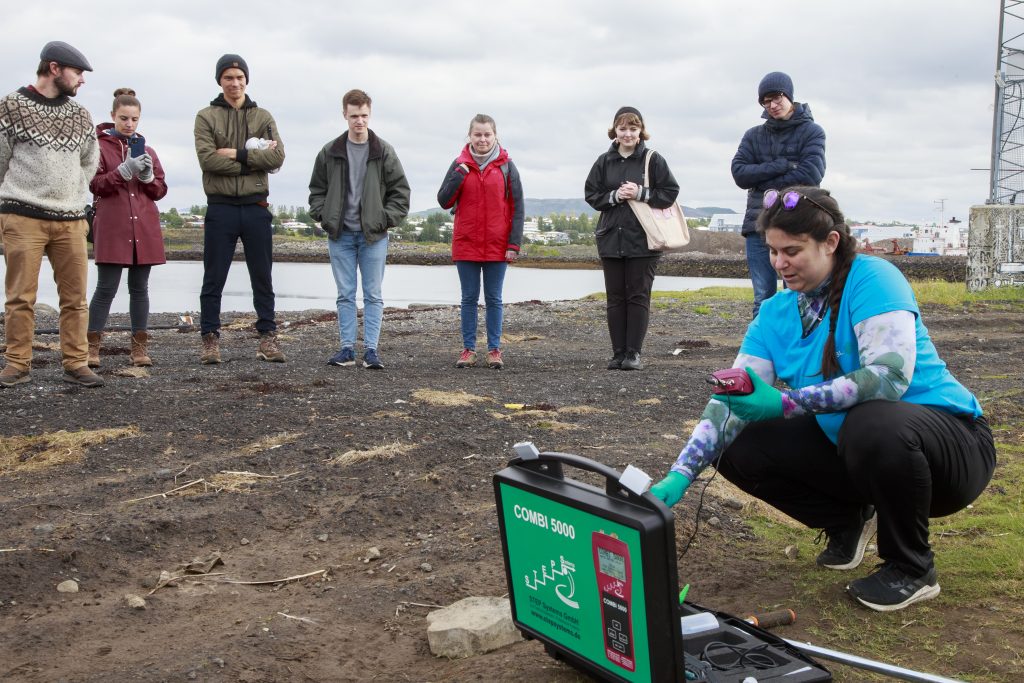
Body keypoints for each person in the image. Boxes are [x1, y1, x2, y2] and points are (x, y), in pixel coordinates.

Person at [650, 187, 995, 612]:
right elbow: (731, 399)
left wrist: (785, 403)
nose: (779, 263)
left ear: (830, 242)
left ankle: (911, 568)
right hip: (859, 450)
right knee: (738, 439)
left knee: (871, 422)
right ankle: (847, 521)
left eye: (792, 250)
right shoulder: (775, 313)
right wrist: (681, 473)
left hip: (950, 451)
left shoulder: (873, 278)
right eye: (773, 251)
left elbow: (889, 378)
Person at [0, 41, 103, 388]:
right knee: (20, 296)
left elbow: (91, 160)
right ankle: (17, 363)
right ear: (55, 68)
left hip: (72, 219)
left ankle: (76, 362)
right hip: (22, 216)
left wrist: (74, 191)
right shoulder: (11, 106)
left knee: (75, 298)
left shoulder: (81, 115)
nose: (82, 81)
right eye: (78, 73)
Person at [308, 89, 410, 370]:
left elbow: (400, 193)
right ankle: (346, 350)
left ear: (370, 114)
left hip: (373, 236)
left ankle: (372, 351)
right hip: (339, 235)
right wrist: (324, 216)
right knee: (345, 294)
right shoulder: (330, 152)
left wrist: (383, 220)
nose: (359, 122)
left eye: (364, 115)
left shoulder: (383, 151)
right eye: (354, 116)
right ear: (345, 115)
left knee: (373, 294)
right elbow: (317, 190)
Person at [194, 54, 286, 365]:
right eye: (228, 77)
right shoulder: (206, 116)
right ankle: (210, 339)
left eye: (239, 77)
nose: (235, 82)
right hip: (220, 208)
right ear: (220, 80)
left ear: (247, 79)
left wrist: (237, 154)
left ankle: (267, 338)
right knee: (213, 277)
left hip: (256, 207)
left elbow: (277, 159)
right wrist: (253, 163)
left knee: (263, 276)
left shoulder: (263, 116)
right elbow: (207, 160)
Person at [585, 106, 679, 371]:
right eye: (623, 128)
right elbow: (592, 195)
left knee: (638, 296)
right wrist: (614, 196)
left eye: (633, 128)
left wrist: (641, 193)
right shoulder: (604, 161)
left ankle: (633, 354)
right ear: (615, 130)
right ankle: (617, 354)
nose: (628, 134)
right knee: (615, 297)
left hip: (644, 240)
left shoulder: (653, 159)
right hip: (611, 240)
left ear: (641, 131)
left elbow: (670, 192)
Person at [731, 72, 825, 317]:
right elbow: (740, 174)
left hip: (796, 222)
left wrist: (764, 184)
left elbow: (811, 175)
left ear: (789, 96)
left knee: (798, 294)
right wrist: (781, 165)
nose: (772, 105)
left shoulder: (813, 132)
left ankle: (796, 351)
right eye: (765, 101)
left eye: (776, 98)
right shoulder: (753, 135)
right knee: (762, 297)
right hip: (757, 225)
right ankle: (762, 353)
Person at [87, 88, 168, 368]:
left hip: (143, 228)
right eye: (123, 118)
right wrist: (122, 172)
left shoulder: (148, 151)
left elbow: (159, 191)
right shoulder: (98, 148)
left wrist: (146, 176)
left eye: (134, 119)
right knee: (106, 288)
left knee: (140, 289)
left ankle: (138, 349)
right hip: (112, 227)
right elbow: (94, 185)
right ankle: (91, 349)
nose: (129, 124)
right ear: (113, 116)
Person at [437, 114, 524, 369]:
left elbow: (517, 207)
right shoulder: (459, 164)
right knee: (468, 298)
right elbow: (444, 201)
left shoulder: (507, 166)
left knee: (494, 298)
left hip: (498, 245)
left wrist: (513, 244)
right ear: (470, 136)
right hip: (466, 243)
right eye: (478, 134)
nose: (483, 139)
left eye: (487, 134)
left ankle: (494, 350)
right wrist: (460, 174)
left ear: (495, 135)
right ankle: (468, 349)